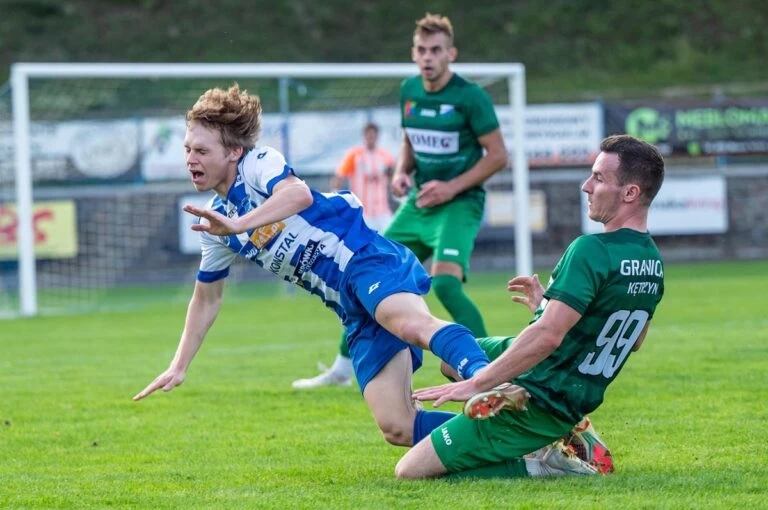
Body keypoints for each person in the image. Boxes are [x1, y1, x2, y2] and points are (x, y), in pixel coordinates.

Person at [133, 84, 493, 450]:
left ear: (233, 152)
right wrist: (179, 366)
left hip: (363, 257)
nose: (191, 159)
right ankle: (510, 441)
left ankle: (486, 377)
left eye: (201, 150)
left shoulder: (257, 164)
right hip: (348, 306)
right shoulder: (215, 223)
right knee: (397, 427)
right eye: (187, 149)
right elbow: (206, 299)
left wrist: (240, 224)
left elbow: (297, 194)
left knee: (411, 324)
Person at [393, 134, 665, 479]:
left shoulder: (591, 250)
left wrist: (476, 385)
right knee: (453, 357)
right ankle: (555, 425)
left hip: (543, 393)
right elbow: (633, 340)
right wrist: (548, 307)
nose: (586, 186)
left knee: (410, 471)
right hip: (572, 386)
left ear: (630, 193)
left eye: (598, 178)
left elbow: (548, 336)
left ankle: (546, 462)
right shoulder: (652, 261)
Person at [292, 12, 509, 389]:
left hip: (459, 204)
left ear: (451, 54)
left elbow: (498, 156)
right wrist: (401, 172)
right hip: (418, 203)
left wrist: (450, 188)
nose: (428, 57)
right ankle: (341, 370)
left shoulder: (471, 97)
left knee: (446, 285)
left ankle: (492, 371)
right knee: (361, 272)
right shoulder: (409, 91)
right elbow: (410, 140)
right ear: (413, 53)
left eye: (436, 50)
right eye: (422, 50)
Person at [292, 122, 395, 389]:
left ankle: (351, 368)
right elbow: (338, 179)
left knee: (378, 285)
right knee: (361, 288)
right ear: (365, 135)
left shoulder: (386, 157)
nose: (371, 137)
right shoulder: (354, 155)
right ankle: (347, 368)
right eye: (368, 134)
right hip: (362, 217)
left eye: (374, 134)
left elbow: (395, 179)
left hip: (384, 216)